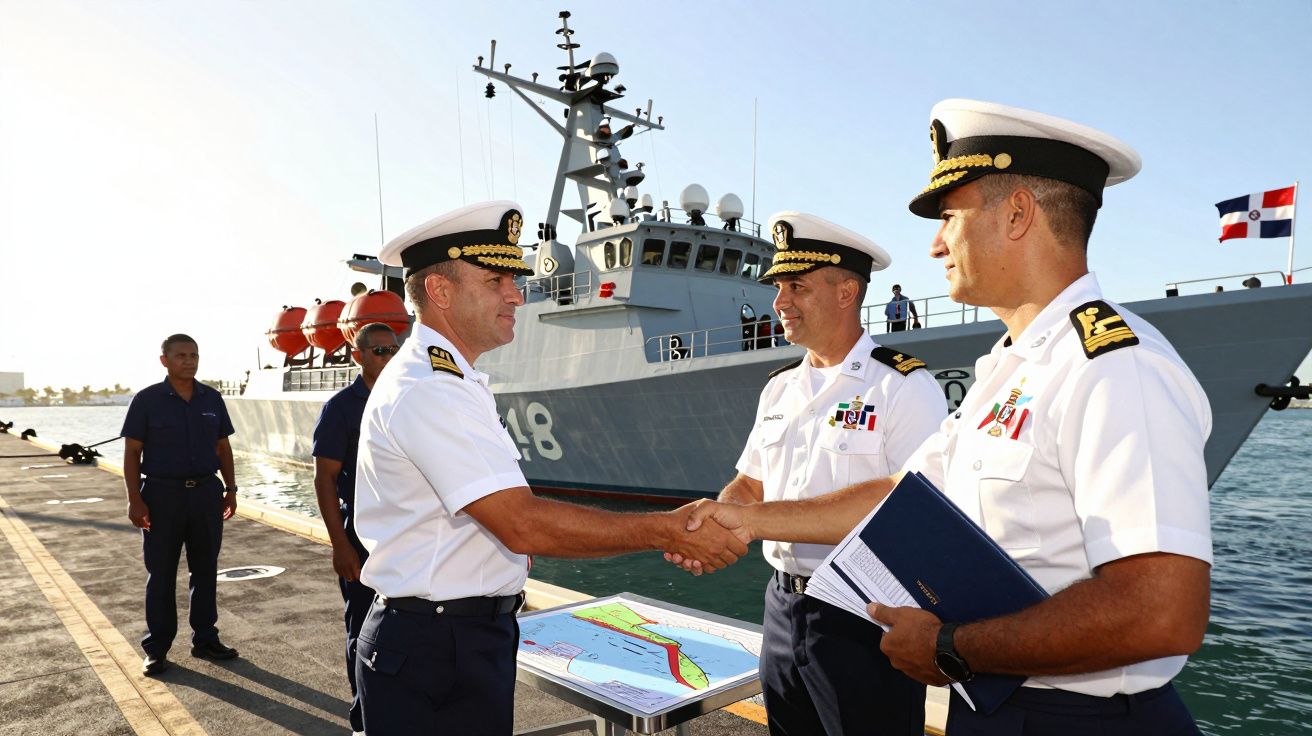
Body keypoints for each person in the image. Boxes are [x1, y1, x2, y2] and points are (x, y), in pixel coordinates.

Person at [676, 100, 1213, 735]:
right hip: (992, 699)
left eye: (950, 217)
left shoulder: (1115, 366)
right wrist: (743, 518)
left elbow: (1160, 613)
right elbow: (903, 497)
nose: (935, 245)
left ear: (1018, 214)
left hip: (1080, 716)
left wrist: (952, 646)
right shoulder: (1007, 371)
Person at [352, 201, 749, 735]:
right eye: (495, 280)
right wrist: (667, 529)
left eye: (512, 279)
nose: (517, 294)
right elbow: (521, 523)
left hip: (455, 637)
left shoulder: (454, 381)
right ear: (440, 291)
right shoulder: (430, 388)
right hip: (435, 647)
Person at [726, 212, 947, 735]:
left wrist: (748, 522)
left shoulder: (902, 387)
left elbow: (913, 507)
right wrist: (718, 521)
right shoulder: (779, 388)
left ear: (847, 292)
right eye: (779, 288)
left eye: (797, 287)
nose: (780, 302)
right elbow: (750, 483)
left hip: (863, 614)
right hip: (782, 606)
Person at [122, 334, 240, 676]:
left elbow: (223, 448)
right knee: (160, 574)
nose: (189, 361)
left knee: (205, 570)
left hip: (205, 493)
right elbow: (132, 452)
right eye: (181, 355)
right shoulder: (147, 400)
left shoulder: (212, 398)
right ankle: (157, 648)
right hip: (162, 496)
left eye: (194, 355)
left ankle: (205, 639)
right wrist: (134, 499)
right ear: (165, 360)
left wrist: (231, 489)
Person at [311, 322, 399, 736]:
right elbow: (324, 479)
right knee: (364, 629)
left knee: (405, 629)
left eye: (394, 350)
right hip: (361, 536)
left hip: (404, 534)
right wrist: (340, 545)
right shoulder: (341, 408)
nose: (389, 357)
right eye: (380, 350)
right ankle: (364, 720)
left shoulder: (407, 398)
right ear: (357, 356)